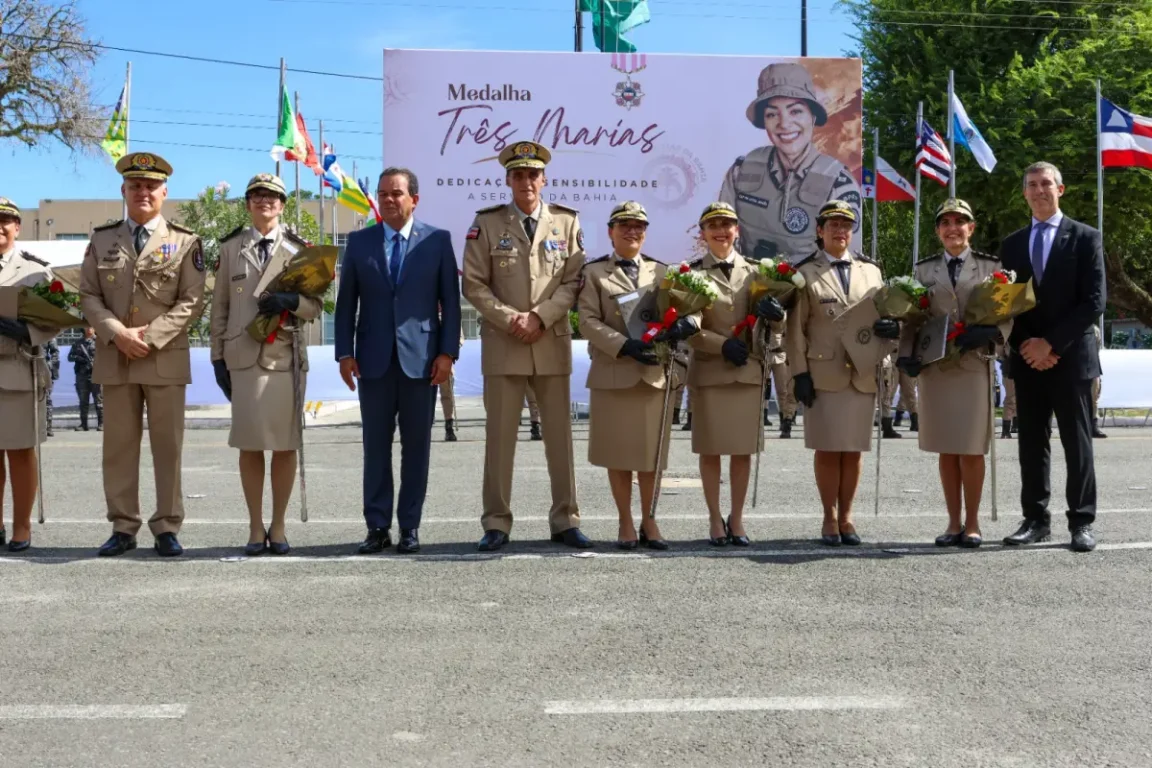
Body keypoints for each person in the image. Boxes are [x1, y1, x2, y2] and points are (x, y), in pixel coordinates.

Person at [78, 153, 206, 558]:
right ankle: (123, 526)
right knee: (118, 448)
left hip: (163, 358)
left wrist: (149, 337)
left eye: (151, 186)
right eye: (135, 186)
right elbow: (88, 295)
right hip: (116, 357)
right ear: (123, 190)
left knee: (168, 448)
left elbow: (192, 301)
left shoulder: (185, 241)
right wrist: (116, 333)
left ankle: (167, 526)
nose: (143, 192)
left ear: (165, 193)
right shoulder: (102, 240)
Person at [462, 141, 587, 552]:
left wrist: (540, 317)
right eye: (518, 175)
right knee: (500, 439)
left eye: (533, 174)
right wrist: (511, 318)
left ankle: (566, 519)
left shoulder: (566, 222)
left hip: (550, 341)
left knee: (560, 439)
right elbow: (474, 284)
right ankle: (496, 522)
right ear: (508, 180)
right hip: (505, 343)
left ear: (544, 179)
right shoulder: (487, 223)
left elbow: (574, 281)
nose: (526, 182)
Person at [335, 167, 461, 555]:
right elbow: (345, 304)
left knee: (416, 448)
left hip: (421, 362)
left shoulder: (437, 241)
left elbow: (451, 303)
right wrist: (344, 353)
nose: (389, 199)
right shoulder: (359, 242)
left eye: (397, 193)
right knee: (375, 447)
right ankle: (377, 526)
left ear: (414, 200)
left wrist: (447, 353)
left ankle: (409, 526)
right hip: (372, 362)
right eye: (383, 193)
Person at [578, 201, 700, 550]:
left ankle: (650, 519)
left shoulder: (662, 273)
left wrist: (686, 324)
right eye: (625, 225)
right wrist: (622, 345)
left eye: (639, 227)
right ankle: (625, 521)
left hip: (653, 374)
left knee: (651, 456)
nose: (632, 231)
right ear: (611, 231)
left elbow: (687, 310)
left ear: (645, 233)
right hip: (614, 372)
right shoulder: (594, 273)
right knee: (618, 454)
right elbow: (587, 321)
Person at [210, 173, 320, 556]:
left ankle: (279, 524)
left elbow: (315, 307)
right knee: (250, 445)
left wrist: (292, 302)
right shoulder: (230, 249)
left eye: (272, 196)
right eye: (257, 195)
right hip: (242, 359)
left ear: (283, 205)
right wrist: (217, 357)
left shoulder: (299, 249)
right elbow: (220, 308)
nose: (264, 201)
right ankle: (256, 526)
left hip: (285, 360)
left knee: (285, 446)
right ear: (247, 204)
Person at [999, 162, 1105, 553]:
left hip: (1072, 358)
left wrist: (1052, 344)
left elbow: (1094, 301)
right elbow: (1005, 304)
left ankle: (1081, 521)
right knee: (1031, 442)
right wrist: (1029, 345)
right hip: (1028, 358)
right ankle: (1035, 519)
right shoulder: (1011, 245)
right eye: (1032, 184)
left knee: (1077, 443)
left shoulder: (1086, 237)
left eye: (1046, 183)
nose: (1039, 190)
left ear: (1061, 190)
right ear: (1024, 193)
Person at [898, 199, 1007, 548]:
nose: (953, 228)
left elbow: (1007, 312)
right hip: (936, 367)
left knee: (971, 448)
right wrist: (906, 355)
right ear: (937, 231)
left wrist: (993, 332)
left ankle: (973, 523)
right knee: (946, 447)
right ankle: (952, 521)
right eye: (945, 223)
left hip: (974, 365)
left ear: (971, 228)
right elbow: (912, 318)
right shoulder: (924, 270)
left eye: (960, 222)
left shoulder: (991, 266)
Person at [786, 200, 895, 546]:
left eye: (846, 225)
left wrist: (890, 333)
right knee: (828, 448)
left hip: (862, 372)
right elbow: (795, 329)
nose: (840, 230)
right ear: (820, 231)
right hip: (824, 372)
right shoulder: (804, 273)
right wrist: (799, 373)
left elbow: (882, 317)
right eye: (832, 224)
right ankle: (829, 516)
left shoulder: (871, 272)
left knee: (853, 449)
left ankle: (847, 516)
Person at [687, 202, 785, 546]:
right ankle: (715, 517)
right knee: (711, 450)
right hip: (710, 371)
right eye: (713, 225)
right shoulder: (690, 274)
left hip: (747, 372)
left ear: (737, 230)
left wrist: (778, 316)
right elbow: (686, 326)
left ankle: (738, 518)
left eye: (726, 224)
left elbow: (773, 327)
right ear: (703, 233)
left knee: (743, 451)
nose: (721, 231)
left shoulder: (758, 273)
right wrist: (720, 345)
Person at [719, 62, 862, 261]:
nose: (784, 124)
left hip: (812, 281)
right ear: (764, 122)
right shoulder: (741, 171)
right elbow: (721, 240)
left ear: (813, 117)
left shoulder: (837, 184)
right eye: (772, 114)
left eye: (795, 111)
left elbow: (845, 261)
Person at [0, 197, 55, 552]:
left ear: (17, 228)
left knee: (20, 452)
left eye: (5, 221)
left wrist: (27, 331)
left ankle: (22, 526)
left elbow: (57, 317)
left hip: (16, 369)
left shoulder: (35, 271)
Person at [766, 325, 797, 438]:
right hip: (764, 354)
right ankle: (761, 418)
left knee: (783, 391)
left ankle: (785, 422)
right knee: (760, 390)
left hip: (780, 355)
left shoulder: (786, 316)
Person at [69, 327, 103, 431]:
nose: (89, 329)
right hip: (82, 375)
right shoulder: (78, 343)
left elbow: (107, 356)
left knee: (99, 400)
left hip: (96, 374)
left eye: (91, 327)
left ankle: (102, 423)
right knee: (83, 401)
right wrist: (79, 358)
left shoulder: (100, 341)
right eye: (86, 327)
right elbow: (70, 357)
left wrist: (96, 362)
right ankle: (84, 424)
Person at [440, 329, 465, 441]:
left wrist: (451, 354)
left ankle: (449, 428)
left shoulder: (451, 317)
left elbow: (459, 337)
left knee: (447, 393)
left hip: (445, 357)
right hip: (425, 357)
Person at [1091, 324, 1107, 439]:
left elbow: (1096, 351)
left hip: (1093, 367)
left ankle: (1094, 426)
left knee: (1094, 398)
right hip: (1073, 368)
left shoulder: (1095, 330)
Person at [999, 348, 1017, 439]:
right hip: (1010, 371)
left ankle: (1015, 426)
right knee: (1011, 400)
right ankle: (1005, 431)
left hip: (1014, 370)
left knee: (1016, 400)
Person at [43, 338, 59, 437]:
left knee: (47, 399)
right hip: (27, 368)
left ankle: (48, 427)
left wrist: (50, 364)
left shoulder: (47, 334)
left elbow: (55, 352)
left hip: (44, 369)